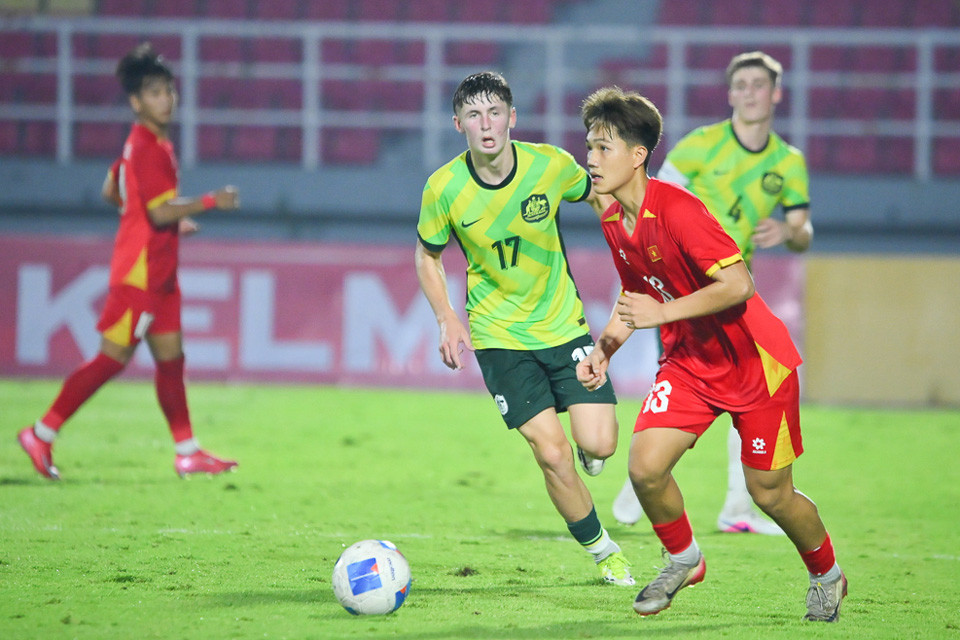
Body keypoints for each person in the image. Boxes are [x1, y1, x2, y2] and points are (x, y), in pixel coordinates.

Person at [577, 86, 845, 620]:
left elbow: (739, 283)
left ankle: (826, 573)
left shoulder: (679, 209)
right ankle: (684, 557)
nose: (591, 158)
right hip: (691, 365)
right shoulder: (614, 221)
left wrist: (662, 314)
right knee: (645, 468)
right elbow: (638, 297)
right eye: (589, 146)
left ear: (638, 156)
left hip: (755, 365)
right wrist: (605, 350)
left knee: (770, 495)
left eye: (604, 148)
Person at [415, 71, 633, 586]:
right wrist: (447, 317)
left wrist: (627, 241)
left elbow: (599, 194)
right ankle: (605, 552)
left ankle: (588, 445)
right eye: (474, 115)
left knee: (599, 447)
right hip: (499, 338)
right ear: (458, 124)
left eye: (494, 113)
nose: (485, 125)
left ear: (513, 118)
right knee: (551, 452)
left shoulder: (550, 165)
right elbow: (427, 257)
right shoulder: (444, 188)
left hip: (564, 327)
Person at [611, 51, 813, 535]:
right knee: (688, 383)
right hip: (683, 291)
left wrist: (789, 231)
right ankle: (641, 481)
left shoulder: (788, 162)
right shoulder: (700, 146)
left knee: (748, 394)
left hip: (732, 293)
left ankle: (734, 507)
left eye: (758, 84)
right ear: (730, 94)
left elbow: (804, 229)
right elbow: (652, 198)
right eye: (740, 84)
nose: (749, 92)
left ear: (775, 93)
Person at [17, 43, 239, 480]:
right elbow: (158, 211)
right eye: (155, 93)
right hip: (139, 275)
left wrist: (153, 217)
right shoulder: (148, 146)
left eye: (169, 91)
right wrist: (211, 201)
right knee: (111, 359)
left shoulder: (146, 144)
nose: (166, 99)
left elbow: (112, 190)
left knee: (172, 358)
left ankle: (187, 452)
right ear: (136, 102)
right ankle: (42, 433)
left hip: (161, 275)